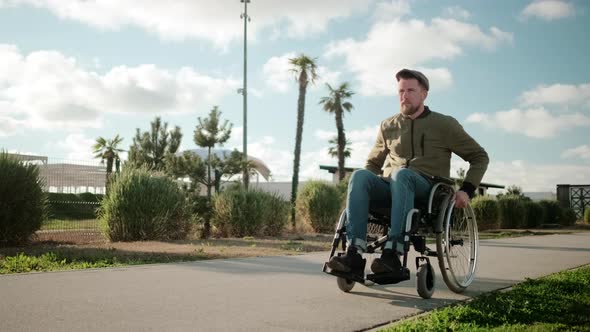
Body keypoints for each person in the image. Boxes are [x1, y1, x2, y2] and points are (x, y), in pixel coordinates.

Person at [327, 69, 489, 278]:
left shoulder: (444, 125)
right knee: (359, 176)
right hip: (392, 186)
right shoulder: (388, 126)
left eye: (410, 90)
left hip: (428, 189)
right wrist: (360, 191)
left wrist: (467, 189)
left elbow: (479, 156)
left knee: (402, 175)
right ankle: (354, 255)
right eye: (401, 91)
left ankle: (392, 254)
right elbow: (373, 164)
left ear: (424, 94)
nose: (404, 95)